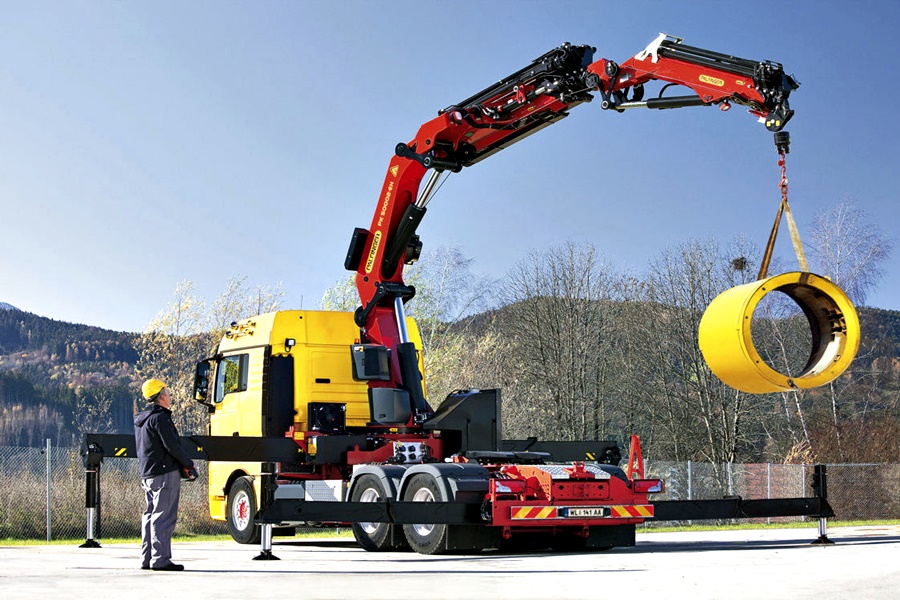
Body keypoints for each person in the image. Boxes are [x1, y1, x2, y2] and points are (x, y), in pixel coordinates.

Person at [134, 378, 197, 572]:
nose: (170, 398)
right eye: (168, 394)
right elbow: (172, 446)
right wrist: (189, 465)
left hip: (148, 473)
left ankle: (147, 558)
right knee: (163, 516)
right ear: (161, 396)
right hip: (164, 473)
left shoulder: (141, 420)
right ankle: (160, 559)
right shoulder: (160, 418)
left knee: (150, 515)